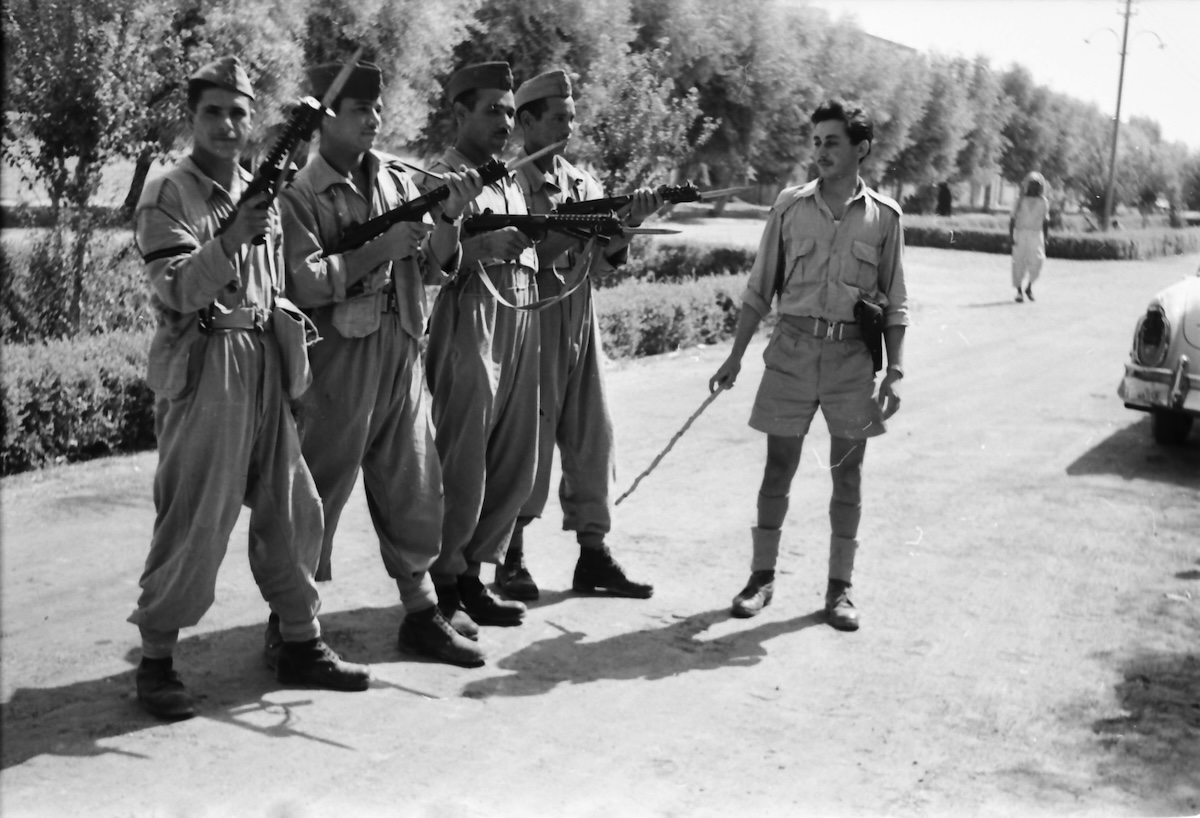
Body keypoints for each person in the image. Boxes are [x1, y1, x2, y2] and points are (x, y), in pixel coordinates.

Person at [129, 56, 369, 721]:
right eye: (214, 112)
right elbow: (176, 289)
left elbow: (276, 286)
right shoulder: (170, 193)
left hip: (264, 361)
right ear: (192, 119)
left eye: (239, 113)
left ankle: (300, 642)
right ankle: (155, 661)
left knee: (294, 507)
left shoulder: (257, 185)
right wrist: (231, 237)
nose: (228, 125)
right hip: (207, 365)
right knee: (194, 516)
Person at [277, 61, 487, 668]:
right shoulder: (300, 196)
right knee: (315, 494)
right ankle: (290, 625)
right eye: (358, 110)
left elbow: (431, 268)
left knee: (415, 486)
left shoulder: (398, 183)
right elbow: (304, 282)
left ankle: (422, 615)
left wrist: (448, 219)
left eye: (376, 109)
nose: (372, 119)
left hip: (401, 349)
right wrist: (378, 249)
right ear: (324, 121)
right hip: (339, 364)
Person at [708, 98, 908, 632]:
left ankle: (840, 591)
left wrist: (895, 370)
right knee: (778, 468)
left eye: (832, 142)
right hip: (793, 351)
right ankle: (761, 578)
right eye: (816, 141)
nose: (820, 151)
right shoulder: (789, 206)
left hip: (851, 360)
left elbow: (896, 301)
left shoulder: (885, 218)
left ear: (861, 149)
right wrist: (734, 357)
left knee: (849, 475)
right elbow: (759, 288)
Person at [496, 68, 659, 601]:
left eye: (572, 115)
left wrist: (628, 224)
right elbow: (515, 260)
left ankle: (594, 554)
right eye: (559, 117)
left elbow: (605, 262)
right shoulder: (508, 185)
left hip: (579, 319)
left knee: (595, 436)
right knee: (530, 441)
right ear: (527, 121)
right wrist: (569, 230)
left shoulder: (581, 182)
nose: (570, 125)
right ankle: (510, 556)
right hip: (532, 317)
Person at [418, 61, 539, 639]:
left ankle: (474, 573)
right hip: (468, 318)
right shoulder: (442, 178)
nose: (506, 121)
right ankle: (443, 583)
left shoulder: (508, 176)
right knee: (462, 459)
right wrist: (482, 243)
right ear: (461, 114)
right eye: (494, 109)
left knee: (512, 454)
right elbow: (426, 259)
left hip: (514, 317)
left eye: (511, 111)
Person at [1009, 171, 1050, 303]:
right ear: (1027, 185)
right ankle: (1019, 292)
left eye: (1037, 184)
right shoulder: (1019, 200)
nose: (1035, 186)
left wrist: (1046, 237)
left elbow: (1046, 220)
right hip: (1021, 234)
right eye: (1032, 184)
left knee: (1038, 261)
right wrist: (1011, 236)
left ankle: (1029, 287)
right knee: (1018, 262)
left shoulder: (1044, 201)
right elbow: (1012, 219)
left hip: (1036, 234)